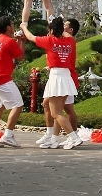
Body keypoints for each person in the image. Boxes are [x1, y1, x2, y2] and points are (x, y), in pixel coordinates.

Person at [22, 16, 82, 150]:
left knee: (56, 114)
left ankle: (74, 137)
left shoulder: (50, 40)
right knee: (58, 110)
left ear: (51, 30)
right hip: (66, 77)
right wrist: (57, 25)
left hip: (56, 77)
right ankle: (54, 139)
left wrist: (24, 27)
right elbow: (66, 34)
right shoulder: (70, 41)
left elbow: (31, 37)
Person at [0, 17, 27, 148]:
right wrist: (22, 41)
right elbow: (20, 57)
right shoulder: (9, 41)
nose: (13, 26)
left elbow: (14, 54)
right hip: (2, 78)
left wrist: (18, 40)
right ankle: (7, 135)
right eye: (12, 24)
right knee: (18, 105)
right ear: (8, 27)